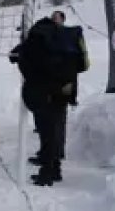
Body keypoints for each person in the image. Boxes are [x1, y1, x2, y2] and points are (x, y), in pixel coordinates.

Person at [14, 17, 85, 186]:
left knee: (47, 135)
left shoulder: (37, 39)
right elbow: (81, 65)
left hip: (44, 92)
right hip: (64, 91)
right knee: (55, 131)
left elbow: (25, 62)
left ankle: (46, 173)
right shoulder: (65, 39)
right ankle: (55, 169)